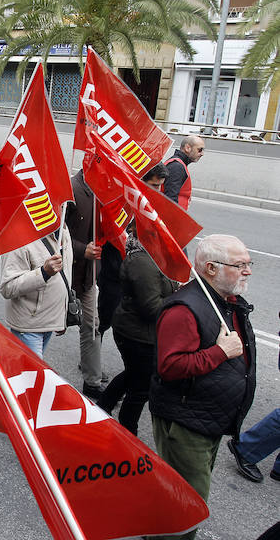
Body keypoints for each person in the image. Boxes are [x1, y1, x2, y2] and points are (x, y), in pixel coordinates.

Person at [148, 234, 256, 540]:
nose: (247, 270)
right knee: (186, 505)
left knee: (181, 497)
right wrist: (220, 352)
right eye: (240, 264)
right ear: (210, 268)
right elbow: (169, 367)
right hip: (185, 422)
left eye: (249, 263)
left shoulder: (226, 300)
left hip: (207, 418)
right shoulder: (184, 309)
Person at [95, 221, 177, 434]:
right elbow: (151, 307)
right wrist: (178, 303)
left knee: (134, 375)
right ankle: (127, 429)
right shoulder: (142, 261)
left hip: (142, 332)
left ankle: (103, 407)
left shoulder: (156, 256)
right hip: (137, 334)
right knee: (141, 387)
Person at [0, 229, 73, 356]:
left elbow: (64, 278)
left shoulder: (63, 230)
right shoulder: (17, 236)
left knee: (23, 372)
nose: (60, 209)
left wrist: (62, 316)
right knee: (30, 374)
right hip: (28, 326)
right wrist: (44, 272)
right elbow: (8, 287)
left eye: (62, 207)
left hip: (49, 321)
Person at [65, 170, 106, 398]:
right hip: (62, 274)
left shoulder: (106, 190)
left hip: (88, 276)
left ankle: (92, 381)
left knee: (91, 326)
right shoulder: (71, 188)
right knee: (45, 329)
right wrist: (82, 249)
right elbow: (52, 230)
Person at [162, 135, 205, 210]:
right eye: (199, 150)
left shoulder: (179, 164)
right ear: (187, 148)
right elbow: (170, 199)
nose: (202, 154)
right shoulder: (177, 166)